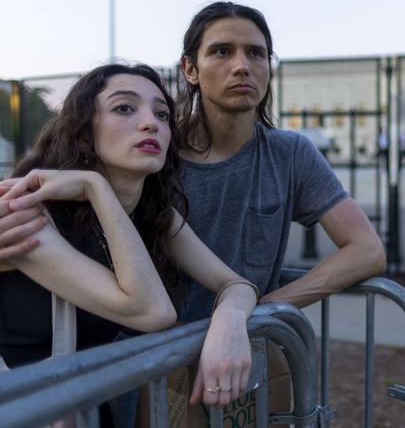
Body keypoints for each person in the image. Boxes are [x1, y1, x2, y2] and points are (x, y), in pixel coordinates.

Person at [0, 64, 258, 420]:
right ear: (84, 127)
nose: (151, 123)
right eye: (124, 108)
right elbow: (152, 312)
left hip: (82, 407)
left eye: (162, 114)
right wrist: (96, 186)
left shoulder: (155, 213)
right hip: (22, 410)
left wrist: (229, 320)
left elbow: (235, 283)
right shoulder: (32, 215)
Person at [175, 1, 386, 322]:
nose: (242, 66)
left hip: (251, 349)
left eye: (256, 53)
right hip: (160, 355)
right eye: (222, 52)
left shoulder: (290, 153)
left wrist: (261, 309)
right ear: (190, 69)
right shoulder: (158, 154)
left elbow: (368, 250)